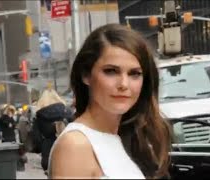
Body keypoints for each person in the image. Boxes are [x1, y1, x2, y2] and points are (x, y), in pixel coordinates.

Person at [48, 24, 173, 179]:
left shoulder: (124, 138)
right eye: (111, 71)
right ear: (86, 75)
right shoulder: (75, 145)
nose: (124, 84)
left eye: (135, 73)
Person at [32, 102, 73, 175]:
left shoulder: (39, 116)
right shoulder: (65, 113)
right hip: (65, 149)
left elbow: (36, 138)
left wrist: (40, 147)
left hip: (47, 150)